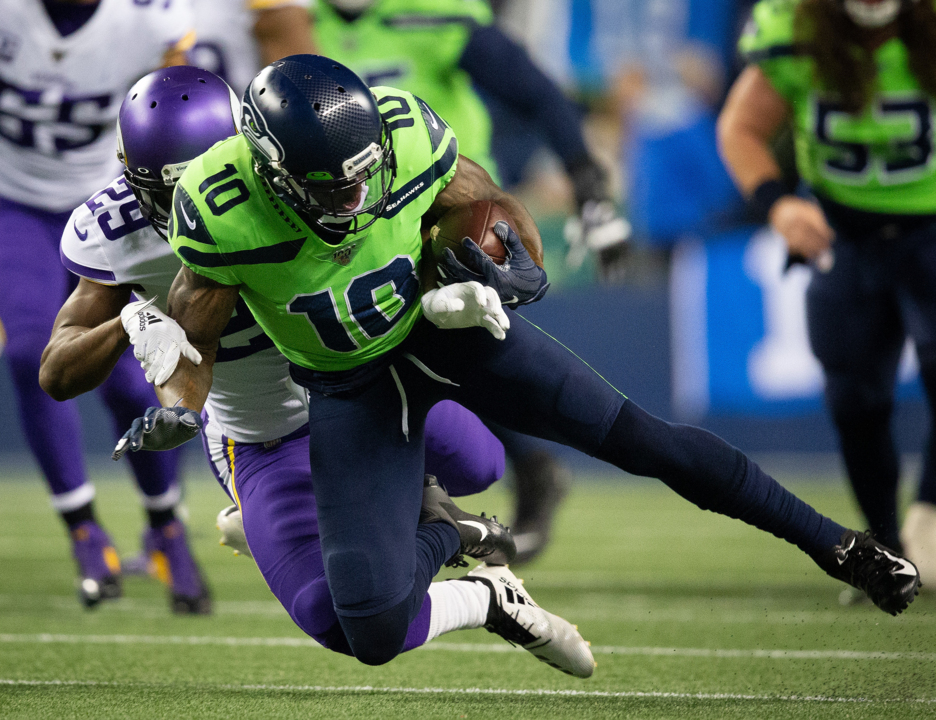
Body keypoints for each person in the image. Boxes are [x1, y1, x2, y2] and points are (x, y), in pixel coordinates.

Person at [118, 55, 919, 668]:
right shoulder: (219, 213)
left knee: (639, 438)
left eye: (363, 181)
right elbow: (197, 331)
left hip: (440, 330)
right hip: (347, 387)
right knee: (368, 628)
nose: (352, 202)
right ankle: (462, 538)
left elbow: (485, 202)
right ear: (268, 168)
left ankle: (841, 546)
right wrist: (183, 407)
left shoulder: (402, 137)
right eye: (330, 189)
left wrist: (517, 261)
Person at [43, 66, 596, 678]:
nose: (191, 205)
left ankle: (320, 517)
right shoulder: (116, 233)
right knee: (340, 620)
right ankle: (484, 590)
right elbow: (56, 371)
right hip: (262, 432)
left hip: (363, 391)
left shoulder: (303, 185)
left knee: (480, 463)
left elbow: (423, 216)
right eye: (170, 192)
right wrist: (126, 323)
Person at [312, 0, 632, 561]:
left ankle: (527, 467)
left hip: (447, 208)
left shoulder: (429, 13)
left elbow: (533, 89)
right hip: (352, 222)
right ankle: (488, 478)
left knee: (452, 356)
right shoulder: (294, 20)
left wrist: (587, 181)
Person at [716, 0, 936, 587]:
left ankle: (930, 514)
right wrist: (778, 204)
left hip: (932, 228)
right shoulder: (795, 28)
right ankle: (886, 544)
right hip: (845, 230)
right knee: (854, 401)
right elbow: (741, 127)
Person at [0, 0, 209, 612]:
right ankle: (86, 533)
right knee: (30, 353)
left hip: (109, 206)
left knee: (129, 379)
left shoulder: (150, 17)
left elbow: (182, 100)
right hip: (15, 205)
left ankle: (168, 527)